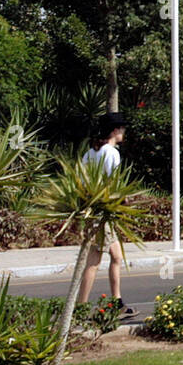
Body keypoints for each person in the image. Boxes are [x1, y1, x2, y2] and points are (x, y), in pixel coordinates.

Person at [78, 112, 132, 313]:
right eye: (122, 128)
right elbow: (113, 183)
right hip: (103, 211)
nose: (123, 132)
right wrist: (122, 200)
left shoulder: (90, 153)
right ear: (115, 130)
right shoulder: (111, 152)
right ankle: (81, 307)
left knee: (116, 256)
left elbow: (83, 181)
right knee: (94, 260)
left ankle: (117, 302)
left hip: (93, 209)